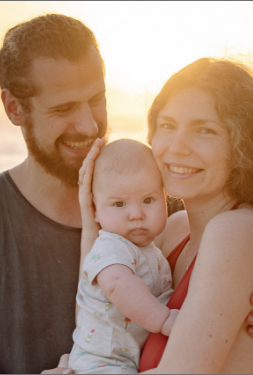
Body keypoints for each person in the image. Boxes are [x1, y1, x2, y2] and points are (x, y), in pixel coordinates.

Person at [0, 14, 253, 374]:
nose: (88, 125)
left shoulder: (164, 208)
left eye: (97, 100)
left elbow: (214, 337)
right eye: (63, 108)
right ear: (15, 108)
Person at [63, 58, 253, 373]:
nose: (177, 146)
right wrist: (92, 222)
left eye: (205, 130)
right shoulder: (173, 231)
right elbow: (96, 317)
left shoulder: (237, 234)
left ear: (242, 147)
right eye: (168, 126)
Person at [68, 139, 177, 373]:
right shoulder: (111, 246)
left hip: (123, 360)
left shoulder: (148, 249)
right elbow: (118, 285)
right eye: (119, 204)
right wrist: (164, 320)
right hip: (102, 362)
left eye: (148, 200)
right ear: (95, 210)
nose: (136, 214)